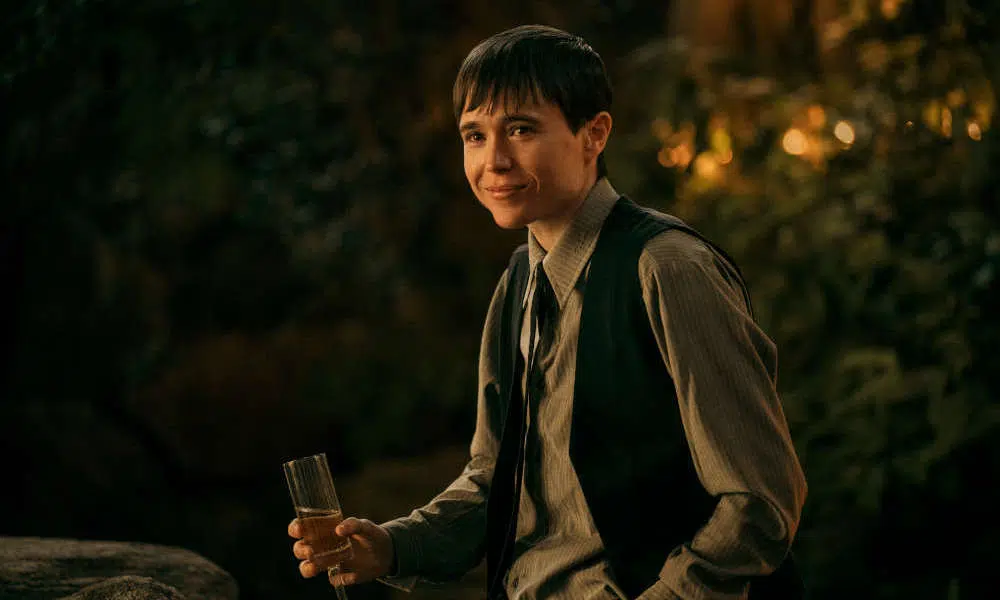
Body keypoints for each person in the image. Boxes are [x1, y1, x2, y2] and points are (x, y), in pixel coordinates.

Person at [289, 24, 807, 600]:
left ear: (594, 134)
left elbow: (759, 501)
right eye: (475, 135)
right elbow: (497, 481)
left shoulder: (667, 269)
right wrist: (392, 546)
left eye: (521, 129)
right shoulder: (519, 281)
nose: (494, 161)